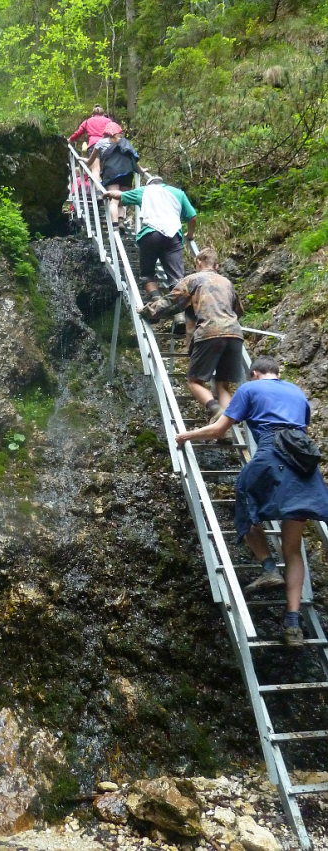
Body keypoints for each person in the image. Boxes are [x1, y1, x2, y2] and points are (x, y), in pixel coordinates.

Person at [176, 355, 328, 647]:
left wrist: (187, 435)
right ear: (278, 372)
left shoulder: (250, 389)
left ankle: (269, 568)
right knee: (293, 548)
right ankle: (293, 621)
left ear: (255, 373)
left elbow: (219, 430)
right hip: (304, 465)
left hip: (272, 456)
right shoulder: (297, 392)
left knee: (245, 509)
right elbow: (301, 434)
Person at [139, 247, 244, 422]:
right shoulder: (227, 282)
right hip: (234, 334)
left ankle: (215, 409)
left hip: (209, 332)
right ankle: (225, 429)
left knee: (194, 382)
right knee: (223, 385)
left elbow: (169, 302)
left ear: (198, 262)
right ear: (216, 266)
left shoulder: (193, 279)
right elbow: (238, 310)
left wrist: (146, 310)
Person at [105, 176, 196, 301]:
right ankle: (178, 314)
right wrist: (190, 234)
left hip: (151, 234)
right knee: (176, 278)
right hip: (173, 236)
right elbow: (192, 217)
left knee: (147, 274)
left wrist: (107, 193)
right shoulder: (178, 193)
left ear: (149, 184)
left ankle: (157, 299)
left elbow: (119, 195)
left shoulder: (145, 191)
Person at [85, 122, 142, 231]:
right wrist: (141, 170)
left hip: (111, 173)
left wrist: (83, 160)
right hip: (127, 173)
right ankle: (121, 220)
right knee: (122, 199)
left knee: (114, 200)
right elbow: (134, 158)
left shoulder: (100, 143)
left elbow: (90, 161)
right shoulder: (126, 143)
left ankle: (115, 225)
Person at [68, 106, 113, 184]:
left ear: (92, 114)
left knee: (95, 169)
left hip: (93, 146)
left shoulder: (87, 121)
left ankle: (99, 192)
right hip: (107, 146)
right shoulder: (108, 121)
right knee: (107, 169)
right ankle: (108, 190)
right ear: (103, 114)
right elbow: (114, 132)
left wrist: (70, 139)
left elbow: (78, 133)